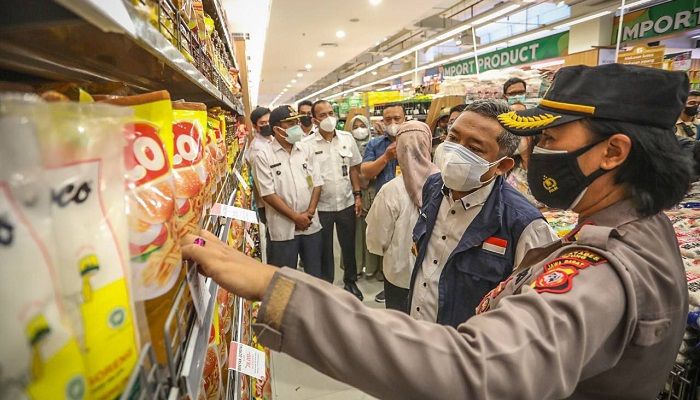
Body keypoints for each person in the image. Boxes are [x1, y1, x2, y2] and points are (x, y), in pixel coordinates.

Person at [182, 64, 692, 399]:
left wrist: (275, 289)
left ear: (614, 152)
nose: (536, 154)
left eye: (552, 137)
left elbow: (479, 368)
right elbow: (420, 178)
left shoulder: (598, 270)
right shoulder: (641, 229)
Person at [409, 99, 557, 326]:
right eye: (453, 138)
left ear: (502, 166)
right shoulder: (433, 186)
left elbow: (535, 312)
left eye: (474, 148)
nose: (454, 152)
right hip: (419, 329)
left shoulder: (525, 225)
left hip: (467, 350)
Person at [366, 121, 438, 312]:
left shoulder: (391, 190)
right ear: (428, 144)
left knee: (400, 329)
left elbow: (377, 239)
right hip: (435, 277)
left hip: (400, 275)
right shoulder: (446, 183)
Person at [251, 105, 323, 278]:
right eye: (290, 123)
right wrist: (295, 217)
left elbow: (317, 182)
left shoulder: (306, 149)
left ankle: (313, 305)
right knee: (284, 279)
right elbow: (267, 193)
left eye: (296, 121)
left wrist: (310, 212)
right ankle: (287, 307)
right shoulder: (263, 155)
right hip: (283, 229)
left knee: (314, 275)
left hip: (310, 225)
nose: (297, 126)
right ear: (276, 129)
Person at [301, 100, 363, 300]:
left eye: (330, 113)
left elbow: (354, 169)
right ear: (314, 120)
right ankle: (326, 286)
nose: (328, 118)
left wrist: (357, 195)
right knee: (324, 248)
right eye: (322, 115)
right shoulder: (306, 145)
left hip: (346, 201)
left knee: (349, 245)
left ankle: (350, 281)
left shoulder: (347, 138)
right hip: (322, 206)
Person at [360, 104, 405, 302]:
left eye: (397, 118)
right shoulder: (375, 144)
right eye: (388, 120)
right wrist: (386, 157)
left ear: (405, 118)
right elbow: (366, 172)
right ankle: (389, 286)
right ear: (382, 122)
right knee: (387, 247)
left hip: (411, 203)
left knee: (407, 245)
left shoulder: (416, 139)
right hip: (384, 204)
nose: (393, 123)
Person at [348, 114, 381, 279]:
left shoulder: (376, 145)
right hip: (356, 194)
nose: (359, 130)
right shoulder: (348, 147)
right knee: (358, 233)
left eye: (362, 125)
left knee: (375, 231)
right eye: (355, 126)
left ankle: (375, 267)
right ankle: (359, 265)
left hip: (375, 192)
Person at [246, 106, 273, 258]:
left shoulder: (271, 140)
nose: (267, 125)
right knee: (274, 239)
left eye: (269, 121)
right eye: (262, 123)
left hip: (274, 201)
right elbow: (261, 184)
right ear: (255, 126)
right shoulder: (257, 149)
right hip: (267, 203)